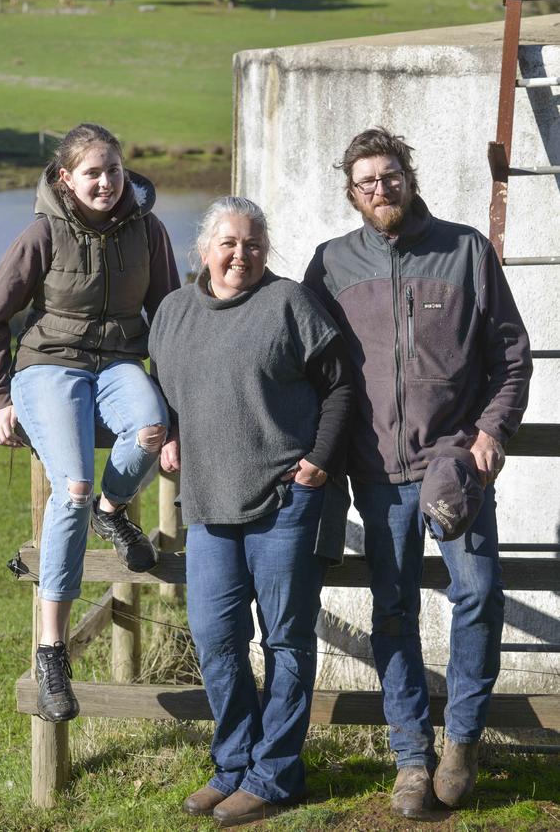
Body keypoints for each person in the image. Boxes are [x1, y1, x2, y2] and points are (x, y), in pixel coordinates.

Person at [303, 127, 533, 818]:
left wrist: (493, 430)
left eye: (391, 173)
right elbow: (310, 366)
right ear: (352, 193)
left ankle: (460, 742)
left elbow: (511, 357)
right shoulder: (331, 264)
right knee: (394, 609)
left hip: (455, 465)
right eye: (367, 180)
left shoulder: (465, 250)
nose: (382, 188)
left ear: (410, 174)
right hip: (375, 468)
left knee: (481, 594)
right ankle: (410, 755)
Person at [149, 196, 353, 827]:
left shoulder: (289, 303)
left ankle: (275, 773)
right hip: (209, 501)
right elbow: (170, 384)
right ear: (205, 250)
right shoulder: (174, 311)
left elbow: (341, 383)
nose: (243, 254)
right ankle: (234, 763)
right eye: (230, 243)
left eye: (255, 244)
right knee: (215, 638)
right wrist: (173, 430)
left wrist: (318, 460)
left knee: (287, 638)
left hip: (284, 499)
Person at [0, 123, 179, 723]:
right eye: (92, 173)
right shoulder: (43, 232)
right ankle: (51, 651)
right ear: (66, 179)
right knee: (72, 487)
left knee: (147, 429)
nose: (106, 183)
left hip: (119, 363)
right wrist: (1, 399)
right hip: (49, 368)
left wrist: (174, 407)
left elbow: (166, 317)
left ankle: (112, 511)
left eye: (113, 171)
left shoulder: (149, 229)